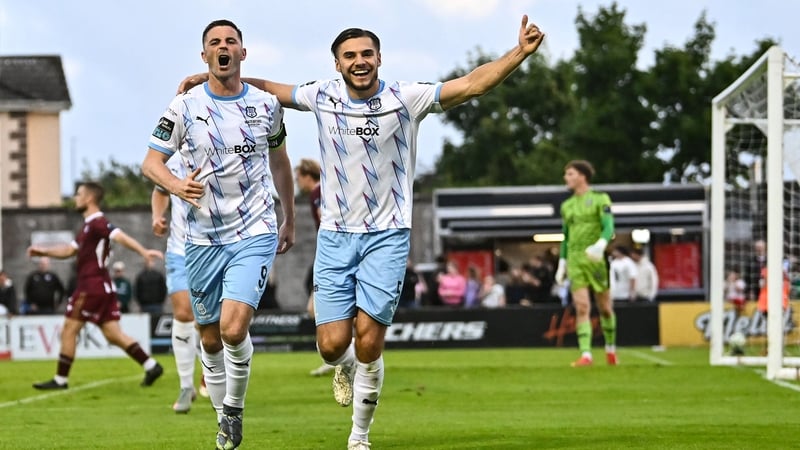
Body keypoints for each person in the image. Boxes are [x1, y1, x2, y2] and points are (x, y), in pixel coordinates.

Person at [179, 16, 544, 449]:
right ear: (337, 64)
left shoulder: (405, 98)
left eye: (367, 54)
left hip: (387, 236)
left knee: (370, 341)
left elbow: (471, 85)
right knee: (332, 346)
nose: (359, 61)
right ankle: (345, 364)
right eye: (350, 56)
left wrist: (519, 53)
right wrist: (212, 78)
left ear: (379, 59)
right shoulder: (322, 96)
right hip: (335, 238)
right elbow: (271, 89)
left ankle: (359, 435)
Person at [143, 19, 295, 450]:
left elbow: (280, 162)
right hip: (201, 238)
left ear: (242, 53)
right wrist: (176, 187)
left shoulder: (267, 106)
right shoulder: (183, 107)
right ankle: (219, 414)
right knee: (209, 336)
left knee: (232, 328)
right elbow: (151, 164)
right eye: (215, 42)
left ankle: (233, 409)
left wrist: (289, 216)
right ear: (204, 54)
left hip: (254, 229)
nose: (223, 47)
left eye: (230, 41)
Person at [29, 181, 165, 390]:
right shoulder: (87, 227)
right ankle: (151, 366)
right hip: (102, 286)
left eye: (78, 194)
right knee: (113, 334)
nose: (75, 198)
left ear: (89, 198)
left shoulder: (97, 223)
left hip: (91, 286)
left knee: (69, 329)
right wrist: (43, 251)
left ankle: (60, 380)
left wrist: (143, 252)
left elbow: (119, 235)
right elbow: (69, 250)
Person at [151, 154, 206, 413]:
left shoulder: (218, 148)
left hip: (214, 248)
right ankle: (186, 386)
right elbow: (160, 189)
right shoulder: (171, 160)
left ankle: (211, 371)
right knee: (183, 313)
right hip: (179, 250)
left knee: (209, 320)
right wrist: (157, 217)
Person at [554, 160, 618, 367]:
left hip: (595, 259)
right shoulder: (566, 206)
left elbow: (609, 226)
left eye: (570, 174)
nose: (566, 178)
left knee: (605, 308)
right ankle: (586, 354)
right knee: (582, 306)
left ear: (582, 176)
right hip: (575, 260)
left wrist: (601, 244)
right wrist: (562, 262)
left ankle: (610, 348)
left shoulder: (600, 199)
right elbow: (565, 236)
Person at [295, 158, 333, 377]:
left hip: (329, 256)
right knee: (315, 307)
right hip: (326, 254)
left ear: (307, 176)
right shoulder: (324, 190)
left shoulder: (318, 193)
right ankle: (341, 354)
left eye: (298, 178)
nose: (297, 183)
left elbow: (324, 219)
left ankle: (339, 354)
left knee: (314, 308)